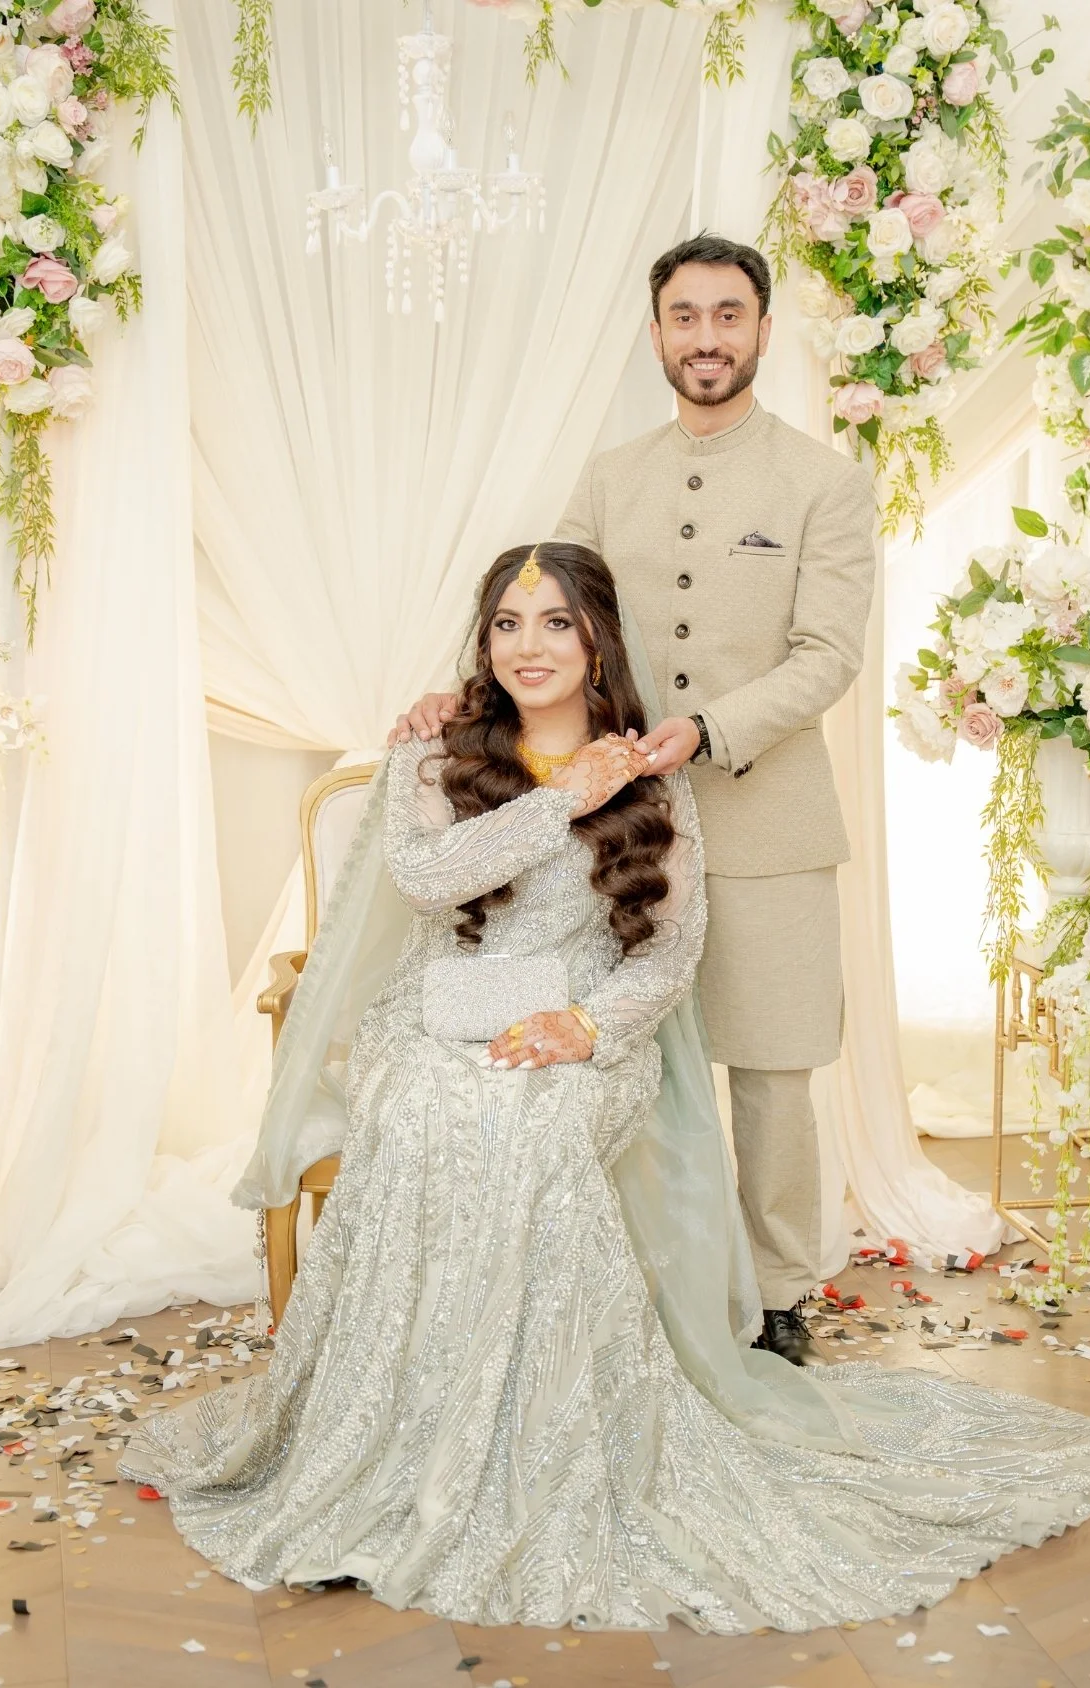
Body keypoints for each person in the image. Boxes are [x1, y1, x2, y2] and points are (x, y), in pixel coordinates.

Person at [121, 544, 1090, 1630]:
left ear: (597, 639)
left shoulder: (655, 771)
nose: (529, 645)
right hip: (437, 1015)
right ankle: (405, 1441)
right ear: (483, 640)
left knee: (531, 1131)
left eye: (555, 622)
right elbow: (425, 879)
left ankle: (542, 1443)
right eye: (507, 622)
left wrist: (583, 1024)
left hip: (592, 1026)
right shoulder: (430, 756)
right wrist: (563, 801)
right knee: (436, 1116)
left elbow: (670, 951)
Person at [393, 234, 876, 1366]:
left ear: (763, 327)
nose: (706, 337)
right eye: (684, 317)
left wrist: (707, 730)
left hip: (768, 822)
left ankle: (777, 1294)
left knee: (767, 1076)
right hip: (622, 828)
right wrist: (452, 697)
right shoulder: (613, 477)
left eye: (728, 315)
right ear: (655, 332)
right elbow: (546, 611)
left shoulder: (824, 480)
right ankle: (639, 1283)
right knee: (626, 1056)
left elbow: (829, 652)